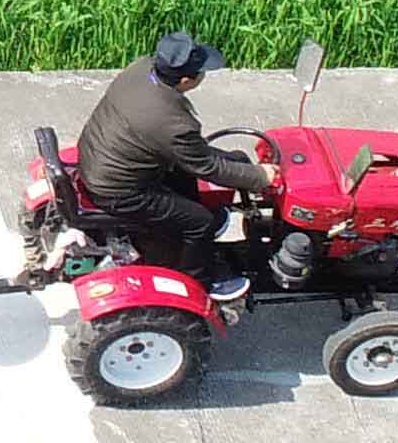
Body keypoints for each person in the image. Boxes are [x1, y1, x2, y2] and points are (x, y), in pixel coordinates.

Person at [71, 32, 273, 296]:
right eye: (202, 71)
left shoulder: (141, 68)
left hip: (102, 157)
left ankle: (193, 223)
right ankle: (201, 283)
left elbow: (194, 156)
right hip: (118, 191)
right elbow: (207, 167)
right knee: (199, 222)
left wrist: (242, 168)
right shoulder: (172, 123)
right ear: (187, 80)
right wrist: (261, 177)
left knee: (197, 165)